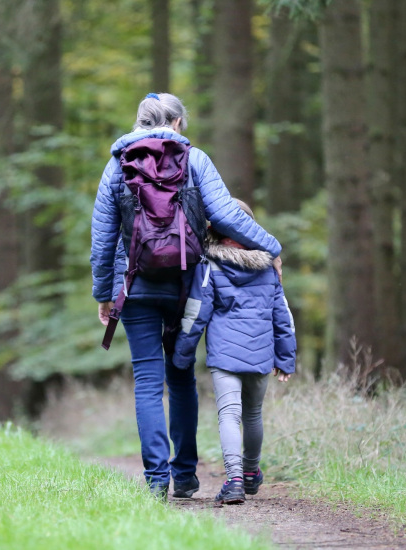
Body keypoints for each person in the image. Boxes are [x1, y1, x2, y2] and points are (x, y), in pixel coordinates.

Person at [90, 93, 282, 500]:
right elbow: (228, 215)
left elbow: (103, 238)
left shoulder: (116, 166)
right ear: (177, 123)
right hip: (187, 286)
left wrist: (104, 293)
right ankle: (186, 475)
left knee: (146, 380)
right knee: (180, 376)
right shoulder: (195, 160)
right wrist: (272, 247)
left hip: (136, 285)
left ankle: (157, 480)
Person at [172, 199, 296, 506]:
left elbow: (196, 312)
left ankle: (235, 480)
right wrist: (286, 357)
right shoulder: (268, 267)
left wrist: (182, 354)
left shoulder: (210, 265)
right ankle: (252, 473)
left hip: (225, 356)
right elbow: (283, 316)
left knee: (229, 414)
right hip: (261, 352)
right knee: (253, 414)